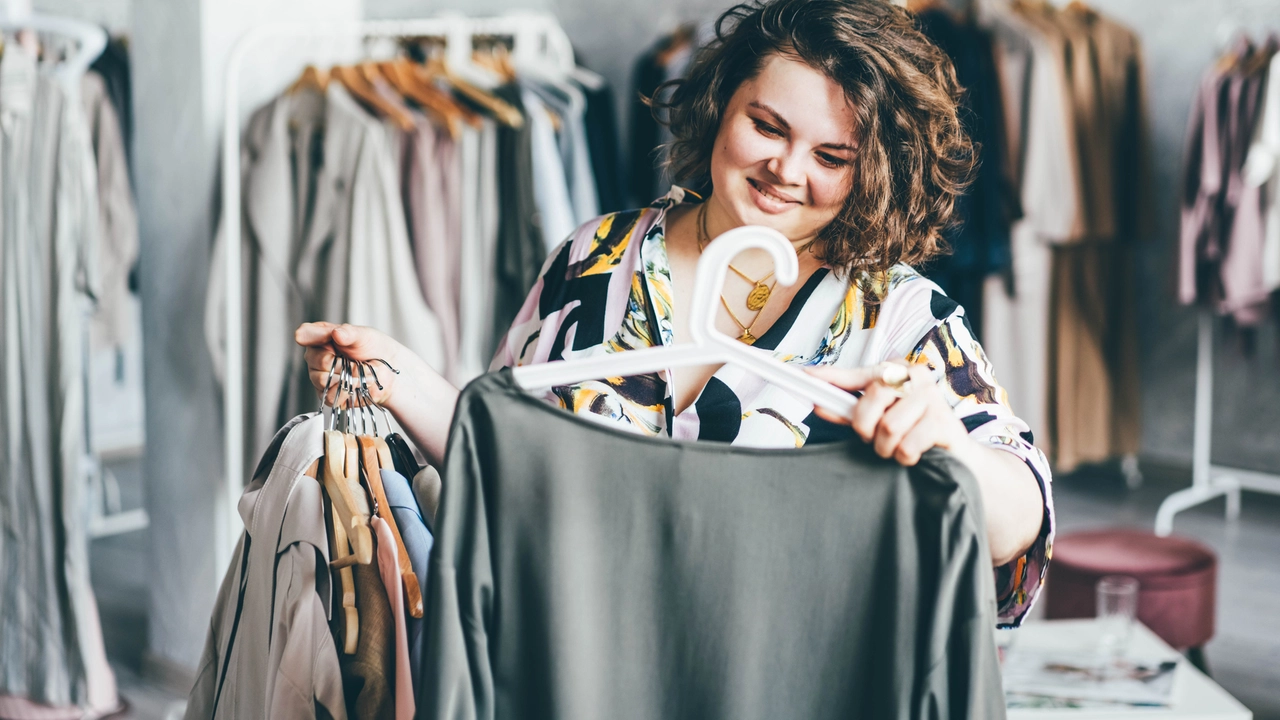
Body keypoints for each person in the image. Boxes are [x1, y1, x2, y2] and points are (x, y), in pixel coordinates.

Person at [296, 0, 1053, 628]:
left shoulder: (899, 317)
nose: (785, 170)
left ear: (875, 172)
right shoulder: (592, 261)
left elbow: (1021, 529)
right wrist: (404, 383)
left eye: (832, 158)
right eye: (768, 126)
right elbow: (502, 461)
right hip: (572, 669)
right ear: (723, 106)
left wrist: (954, 451)